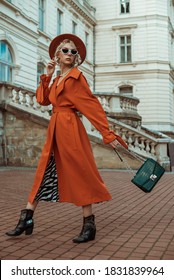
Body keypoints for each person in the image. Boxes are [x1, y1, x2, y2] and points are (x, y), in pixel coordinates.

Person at [6, 34, 128, 243]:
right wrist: (47, 75)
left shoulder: (76, 78)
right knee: (43, 173)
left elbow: (92, 107)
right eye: (65, 51)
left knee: (81, 173)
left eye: (73, 52)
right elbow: (43, 100)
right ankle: (27, 217)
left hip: (71, 130)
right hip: (55, 129)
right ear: (57, 55)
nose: (70, 54)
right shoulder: (56, 78)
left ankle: (89, 224)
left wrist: (108, 134)